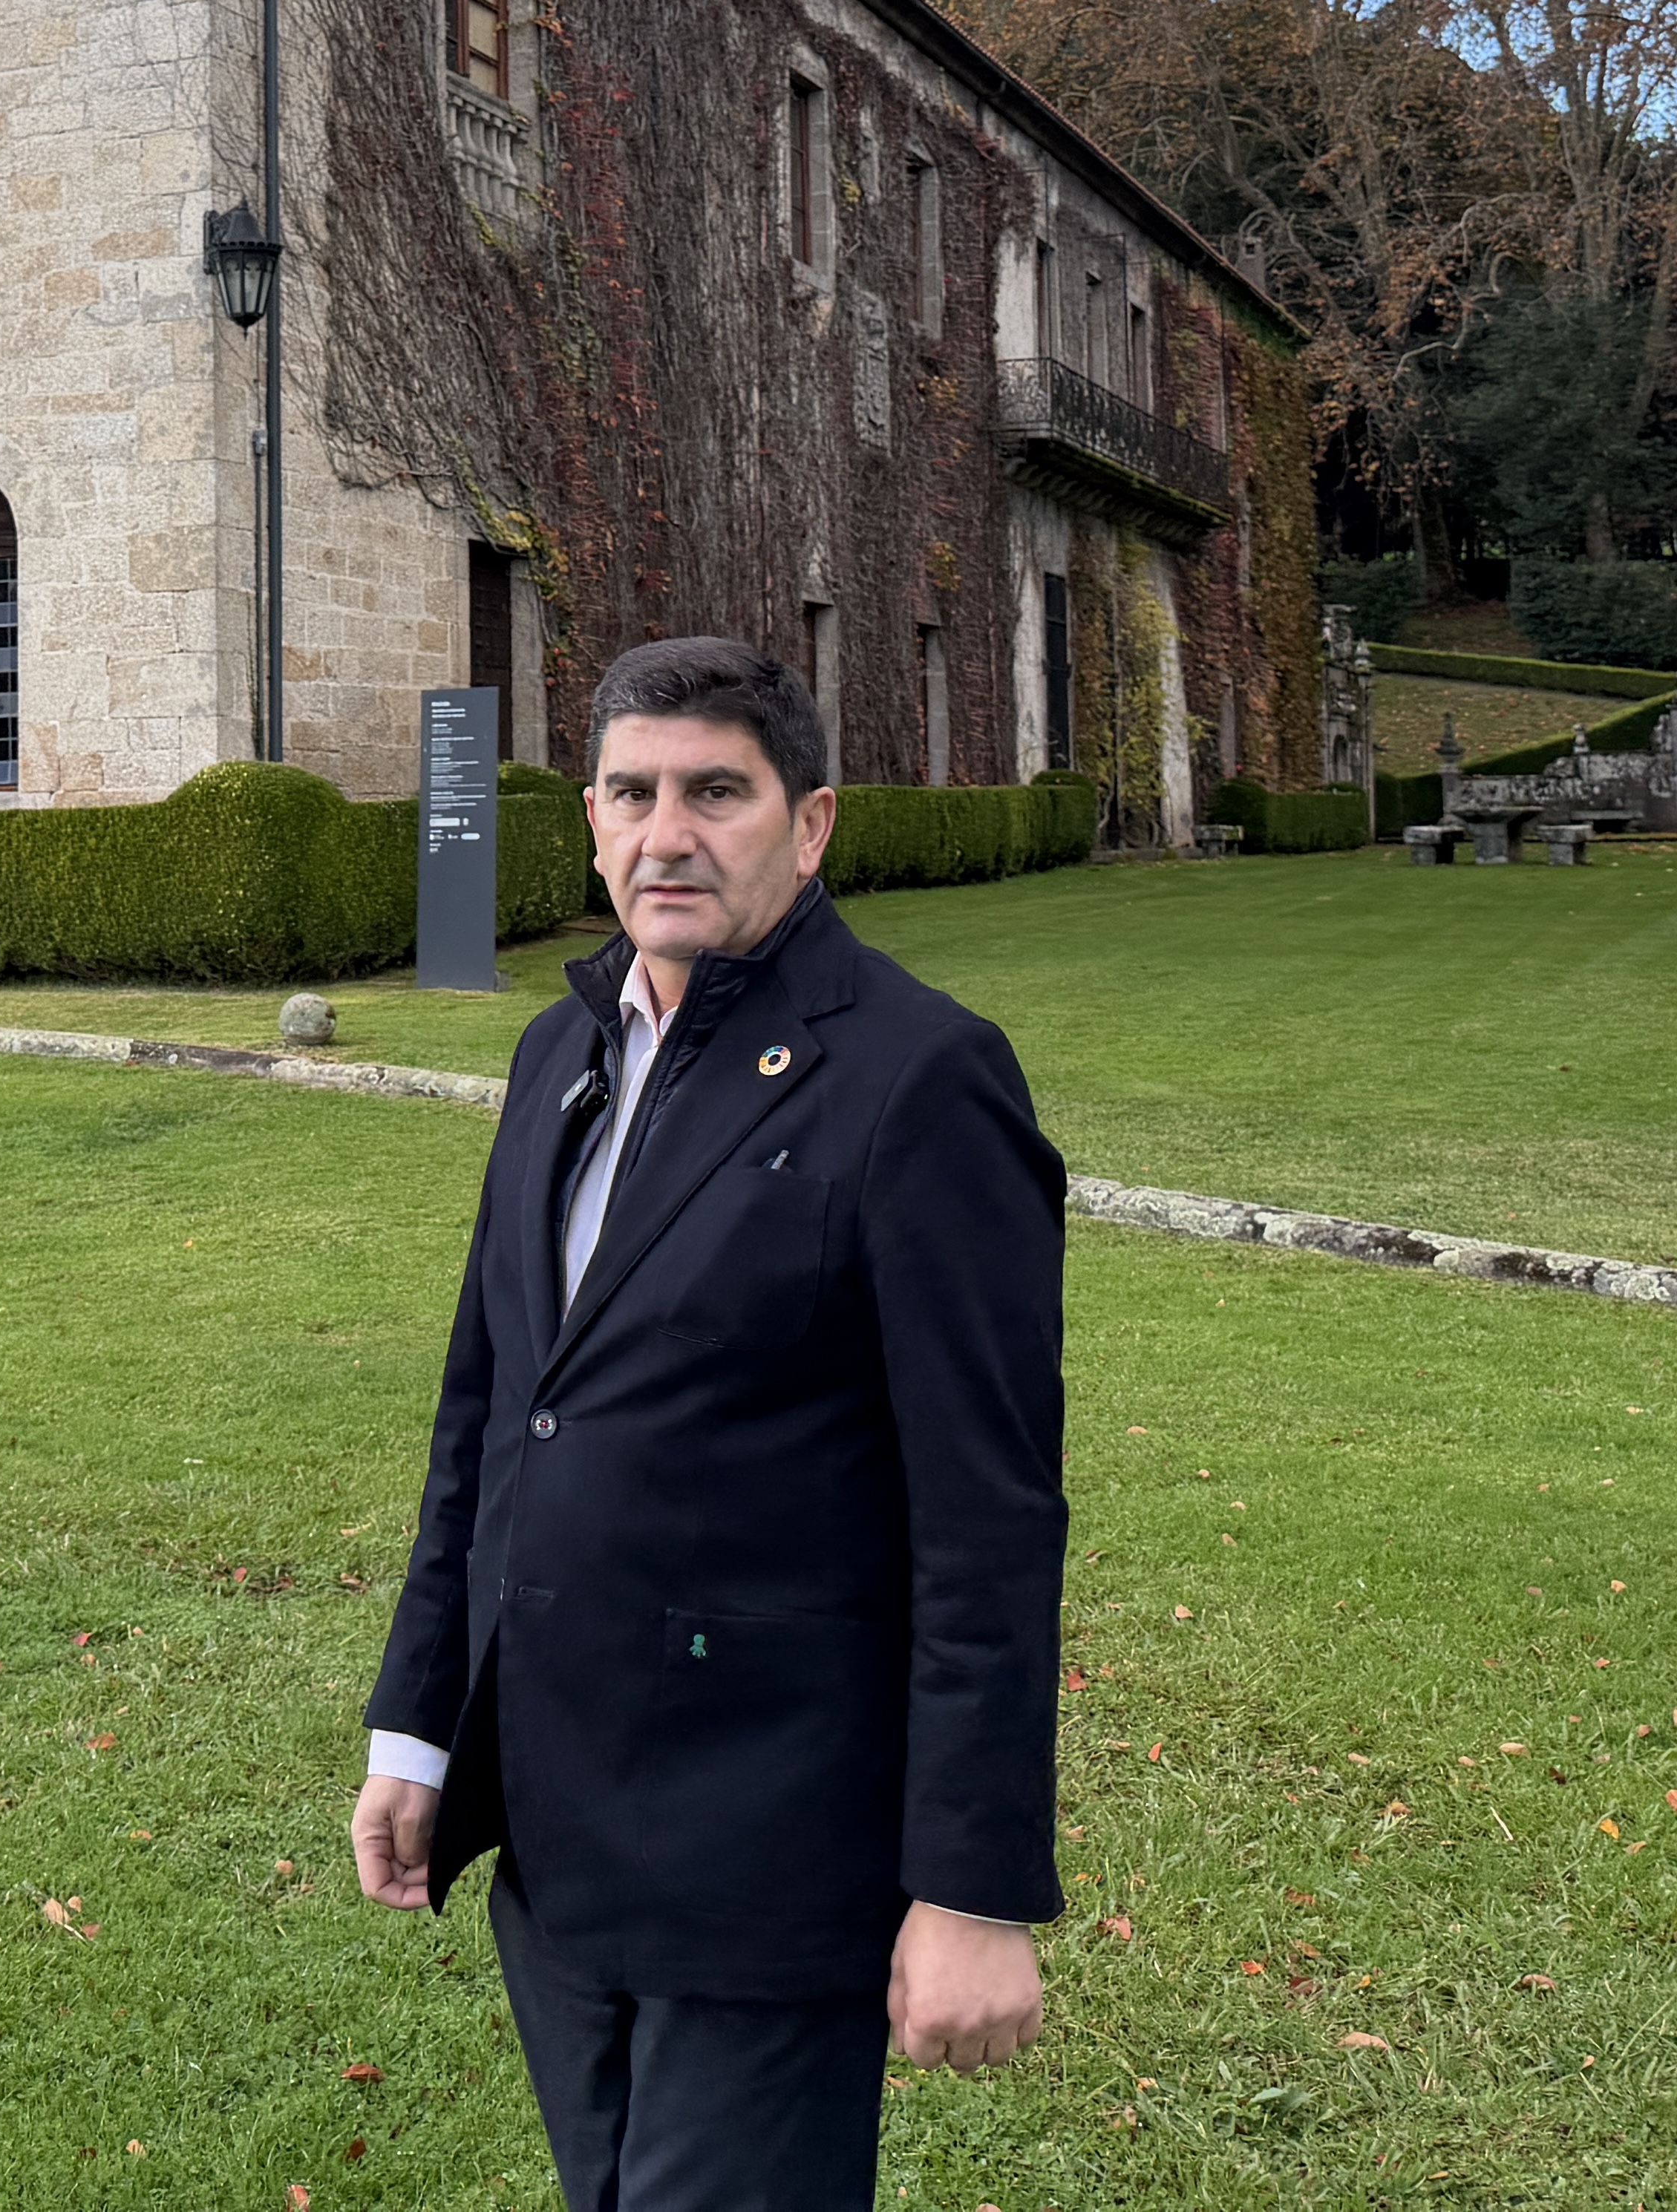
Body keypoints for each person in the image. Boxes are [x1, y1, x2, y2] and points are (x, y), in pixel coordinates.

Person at [353, 635, 1068, 2211]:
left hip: (767, 1839)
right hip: (556, 1818)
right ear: (592, 823)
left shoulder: (918, 1079)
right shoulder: (561, 1052)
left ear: (809, 827)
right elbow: (487, 1413)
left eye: (715, 794)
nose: (667, 832)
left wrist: (970, 1883)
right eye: (632, 793)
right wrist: (419, 1731)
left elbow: (989, 1513)